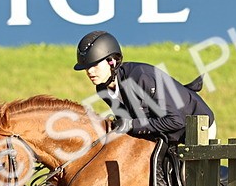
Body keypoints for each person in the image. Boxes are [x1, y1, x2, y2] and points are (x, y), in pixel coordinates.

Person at [74, 30, 213, 145]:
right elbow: (127, 123)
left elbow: (175, 121)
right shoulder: (102, 89)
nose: (90, 72)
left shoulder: (141, 77)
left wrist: (132, 125)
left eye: (94, 65)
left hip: (196, 127)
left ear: (112, 62)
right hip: (163, 135)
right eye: (86, 68)